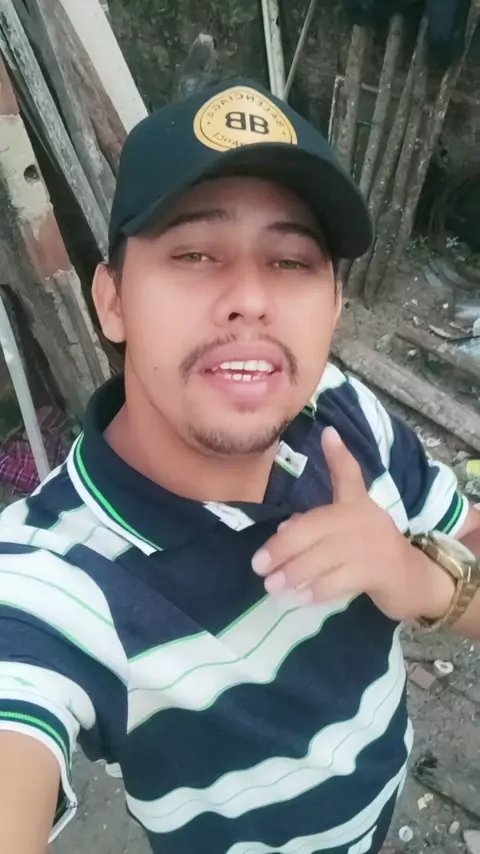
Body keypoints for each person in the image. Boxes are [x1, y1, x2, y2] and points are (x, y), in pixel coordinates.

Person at [0, 79, 480, 854]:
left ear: (334, 308)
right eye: (194, 254)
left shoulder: (343, 415)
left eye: (291, 261)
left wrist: (415, 576)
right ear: (112, 301)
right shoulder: (53, 580)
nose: (251, 297)